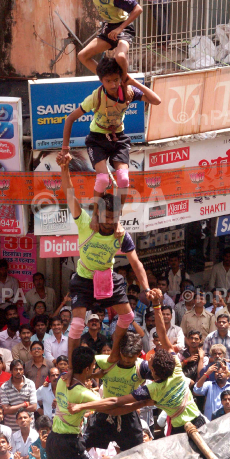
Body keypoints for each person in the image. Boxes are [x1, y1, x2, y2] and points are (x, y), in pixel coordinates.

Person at [57, 151, 160, 369]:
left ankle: (114, 354)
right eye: (106, 220)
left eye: (114, 220)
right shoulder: (86, 223)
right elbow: (69, 194)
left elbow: (136, 263)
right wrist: (64, 168)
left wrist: (146, 288)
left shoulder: (121, 234)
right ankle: (72, 369)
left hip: (107, 280)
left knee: (127, 317)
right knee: (76, 326)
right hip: (84, 279)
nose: (110, 224)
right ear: (98, 216)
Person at [67, 291, 204, 436]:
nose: (148, 358)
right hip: (199, 421)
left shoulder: (152, 389)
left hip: (179, 431)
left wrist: (82, 406)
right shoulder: (175, 368)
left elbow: (115, 401)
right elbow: (162, 333)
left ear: (154, 372)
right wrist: (156, 305)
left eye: (150, 361)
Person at [60, 58, 160, 233]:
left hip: (118, 138)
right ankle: (95, 216)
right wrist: (65, 150)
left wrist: (132, 81)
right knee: (103, 179)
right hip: (97, 139)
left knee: (123, 179)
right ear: (101, 81)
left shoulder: (128, 92)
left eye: (116, 80)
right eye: (108, 81)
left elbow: (156, 100)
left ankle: (117, 218)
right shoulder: (96, 97)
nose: (113, 85)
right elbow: (70, 119)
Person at [60, 0, 142, 84]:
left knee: (120, 57)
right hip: (109, 28)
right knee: (83, 56)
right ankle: (109, 80)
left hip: (123, 28)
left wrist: (119, 29)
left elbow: (138, 9)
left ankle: (125, 82)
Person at [83, 332, 147, 452]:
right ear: (120, 351)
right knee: (84, 445)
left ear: (138, 354)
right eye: (124, 356)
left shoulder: (142, 367)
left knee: (137, 451)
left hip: (128, 414)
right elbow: (79, 366)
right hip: (105, 411)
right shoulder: (105, 361)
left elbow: (162, 376)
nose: (127, 360)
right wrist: (91, 374)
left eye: (131, 358)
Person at [45, 346, 101, 459]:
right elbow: (106, 405)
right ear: (87, 369)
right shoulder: (83, 393)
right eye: (93, 366)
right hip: (70, 442)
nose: (94, 368)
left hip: (53, 439)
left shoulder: (61, 379)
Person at [0, 359, 37, 433]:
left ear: (23, 370)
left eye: (20, 369)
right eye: (15, 369)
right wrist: (24, 404)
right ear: (11, 371)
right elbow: (6, 410)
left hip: (29, 427)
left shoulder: (30, 384)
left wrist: (13, 408)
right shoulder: (4, 387)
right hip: (11, 428)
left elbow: (33, 407)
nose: (18, 372)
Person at [0, 259, 20, 332]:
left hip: (11, 310)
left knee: (14, 329)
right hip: (0, 311)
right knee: (1, 331)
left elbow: (16, 298)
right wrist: (7, 299)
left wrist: (3, 299)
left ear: (7, 269)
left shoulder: (13, 281)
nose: (3, 271)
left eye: (5, 269)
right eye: (1, 269)